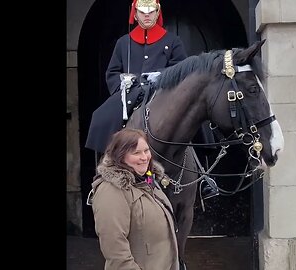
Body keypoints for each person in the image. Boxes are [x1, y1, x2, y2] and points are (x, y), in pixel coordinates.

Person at [85, 0, 188, 154]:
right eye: (142, 12)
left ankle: (202, 161)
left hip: (163, 91)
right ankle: (107, 160)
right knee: (100, 116)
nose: (147, 16)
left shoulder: (172, 41)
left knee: (194, 114)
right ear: (136, 14)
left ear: (157, 12)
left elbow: (182, 68)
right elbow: (112, 72)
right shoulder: (123, 42)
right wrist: (122, 81)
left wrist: (162, 77)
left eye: (151, 12)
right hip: (131, 93)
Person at [87, 128, 181, 270]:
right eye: (136, 153)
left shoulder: (147, 180)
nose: (144, 157)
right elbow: (115, 250)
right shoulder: (112, 190)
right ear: (120, 156)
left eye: (146, 150)